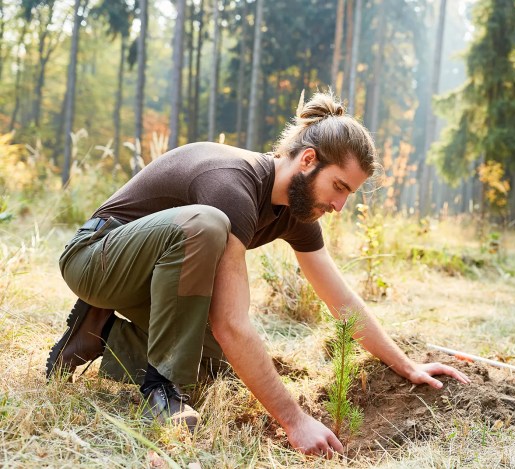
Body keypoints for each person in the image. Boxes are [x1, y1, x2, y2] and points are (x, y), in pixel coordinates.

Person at [46, 92, 469, 457]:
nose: (341, 206)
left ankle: (101, 334)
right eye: (339, 187)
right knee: (206, 225)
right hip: (95, 260)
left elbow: (341, 300)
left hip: (151, 279)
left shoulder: (296, 213)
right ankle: (162, 391)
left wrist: (407, 364)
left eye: (349, 195)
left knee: (222, 371)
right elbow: (231, 323)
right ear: (308, 161)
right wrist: (294, 420)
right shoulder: (232, 185)